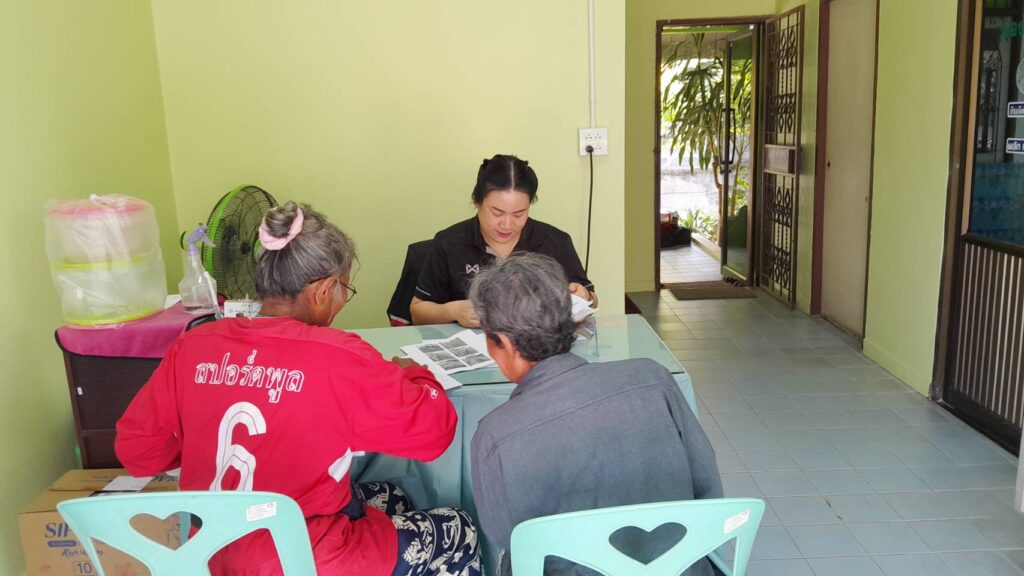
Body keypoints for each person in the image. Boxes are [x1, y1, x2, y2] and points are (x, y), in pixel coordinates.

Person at [116, 202, 481, 576]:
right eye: (344, 288)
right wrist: (417, 375)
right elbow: (434, 434)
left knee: (392, 495)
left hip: (206, 549)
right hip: (295, 556)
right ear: (323, 289)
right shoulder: (340, 356)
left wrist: (202, 438)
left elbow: (139, 454)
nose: (342, 300)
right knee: (458, 528)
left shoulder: (193, 345)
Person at [468, 253, 722, 576]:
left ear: (503, 342)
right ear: (571, 321)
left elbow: (507, 538)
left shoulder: (495, 434)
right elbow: (706, 484)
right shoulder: (653, 378)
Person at [410, 154, 597, 328]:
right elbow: (417, 312)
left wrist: (585, 296)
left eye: (519, 214)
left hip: (537, 346)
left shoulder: (555, 241)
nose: (507, 225)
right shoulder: (449, 243)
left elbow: (593, 300)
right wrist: (453, 311)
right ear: (476, 201)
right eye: (497, 213)